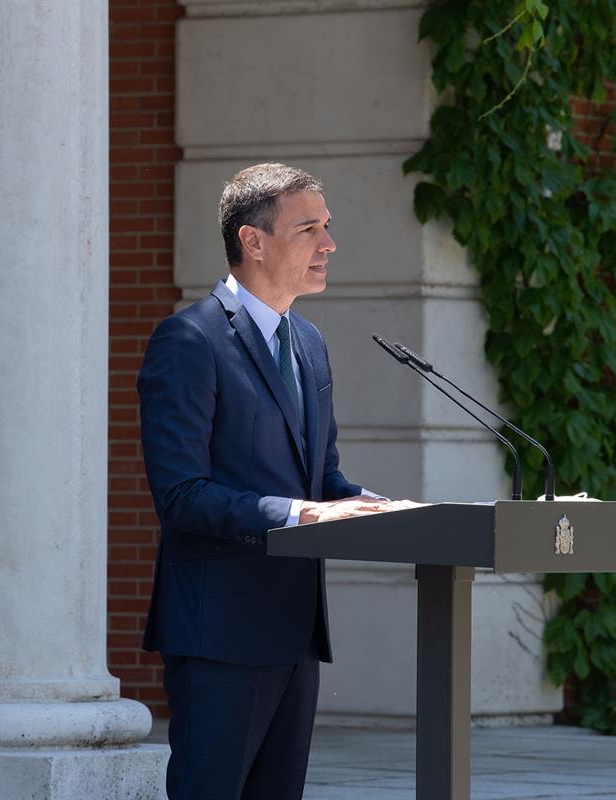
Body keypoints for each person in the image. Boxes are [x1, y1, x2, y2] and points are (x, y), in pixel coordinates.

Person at [138, 163, 404, 799]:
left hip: (294, 630)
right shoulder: (188, 341)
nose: (328, 245)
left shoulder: (308, 343)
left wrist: (365, 504)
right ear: (251, 241)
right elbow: (181, 496)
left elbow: (322, 476)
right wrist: (302, 514)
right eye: (308, 228)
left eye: (327, 227)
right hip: (220, 634)